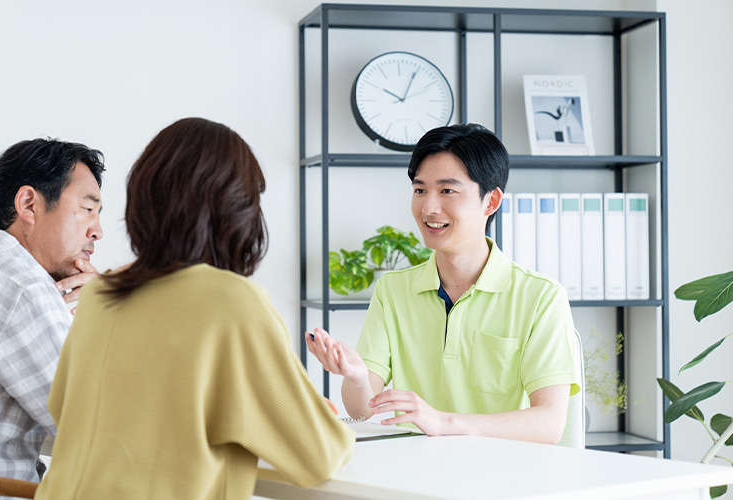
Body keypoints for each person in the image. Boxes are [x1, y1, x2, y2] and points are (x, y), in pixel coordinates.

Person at [34, 118, 354, 500]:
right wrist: (303, 411)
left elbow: (65, 409)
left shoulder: (100, 295)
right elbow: (320, 454)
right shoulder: (232, 301)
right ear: (236, 208)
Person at [306, 123, 580, 444]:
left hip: (501, 476)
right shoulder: (393, 291)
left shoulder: (540, 297)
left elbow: (548, 424)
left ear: (491, 202)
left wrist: (442, 422)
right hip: (415, 477)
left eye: (447, 191)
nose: (428, 208)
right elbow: (362, 410)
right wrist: (354, 377)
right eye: (420, 190)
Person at [0, 138, 105, 482]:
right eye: (87, 209)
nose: (97, 230)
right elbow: (103, 434)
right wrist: (111, 315)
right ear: (29, 204)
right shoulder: (23, 291)